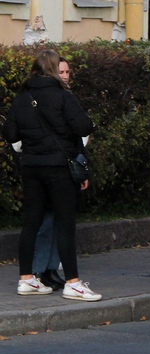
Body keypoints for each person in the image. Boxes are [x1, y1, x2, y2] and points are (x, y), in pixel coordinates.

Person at [2, 50, 101, 301]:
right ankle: (73, 282)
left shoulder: (22, 98)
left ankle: (27, 279)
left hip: (32, 167)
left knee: (31, 222)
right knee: (65, 224)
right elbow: (84, 127)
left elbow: (11, 134)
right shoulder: (62, 97)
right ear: (54, 71)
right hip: (59, 167)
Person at [29, 57, 85, 291]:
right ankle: (39, 270)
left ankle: (51, 268)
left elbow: (79, 138)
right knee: (46, 222)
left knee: (58, 221)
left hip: (67, 164)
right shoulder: (45, 99)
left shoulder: (67, 98)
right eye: (60, 71)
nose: (65, 75)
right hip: (49, 167)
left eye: (67, 72)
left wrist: (82, 166)